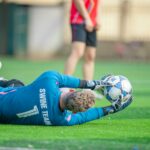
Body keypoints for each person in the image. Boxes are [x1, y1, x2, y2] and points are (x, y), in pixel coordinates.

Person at [0, 71, 132, 126]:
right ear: (75, 111)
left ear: (71, 91)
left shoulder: (48, 81)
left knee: (17, 84)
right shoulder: (61, 120)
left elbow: (65, 80)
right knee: (18, 86)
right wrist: (112, 109)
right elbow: (84, 117)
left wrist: (94, 84)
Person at [64, 0, 101, 80]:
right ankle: (65, 85)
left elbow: (96, 3)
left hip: (92, 22)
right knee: (77, 52)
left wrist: (97, 18)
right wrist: (87, 18)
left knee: (90, 56)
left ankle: (88, 87)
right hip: (78, 20)